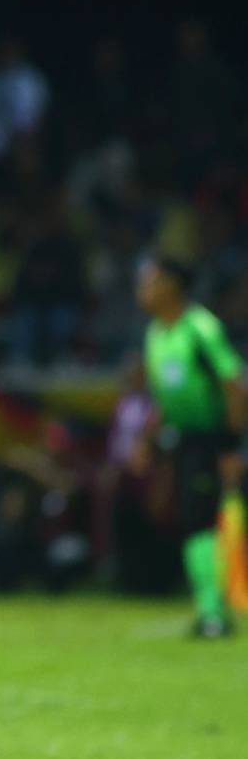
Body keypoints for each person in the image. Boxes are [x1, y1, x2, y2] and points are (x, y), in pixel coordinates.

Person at [137, 255, 246, 637]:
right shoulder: (155, 334)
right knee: (194, 521)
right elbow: (165, 397)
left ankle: (214, 612)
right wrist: (146, 440)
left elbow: (234, 386)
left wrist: (231, 447)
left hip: (214, 439)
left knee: (204, 521)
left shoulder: (201, 328)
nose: (142, 290)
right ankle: (209, 608)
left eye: (150, 282)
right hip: (186, 441)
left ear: (171, 285)